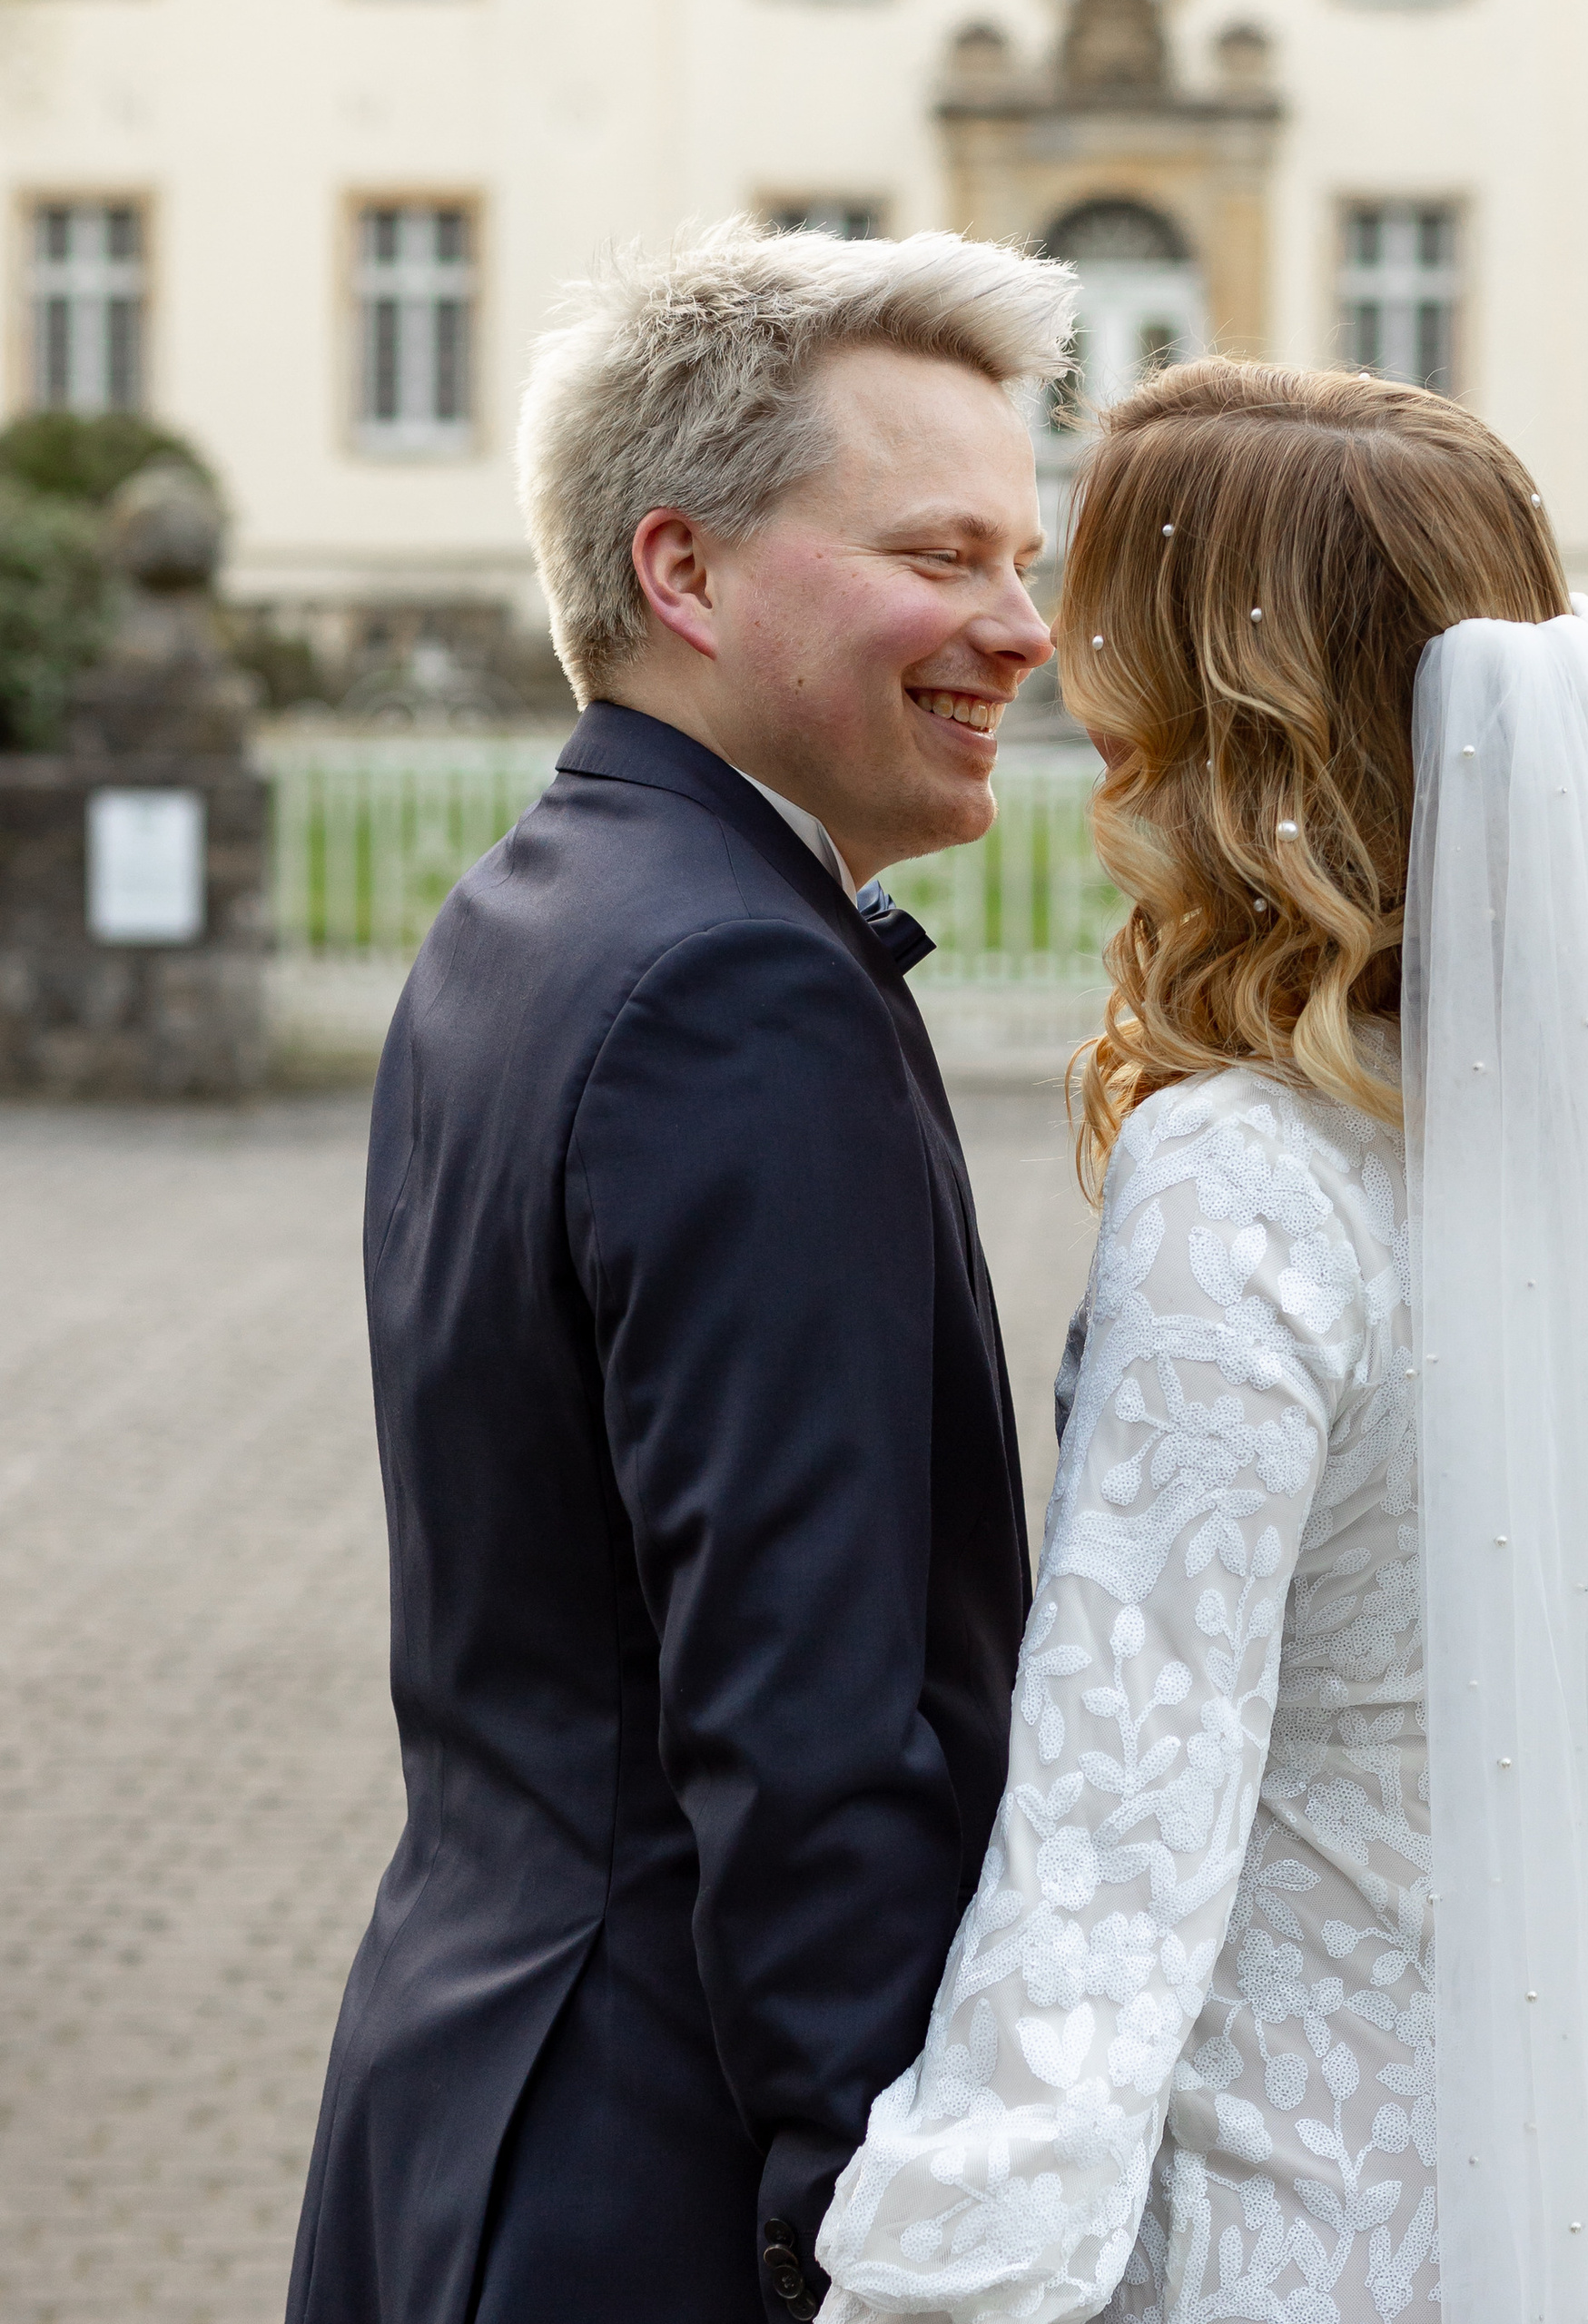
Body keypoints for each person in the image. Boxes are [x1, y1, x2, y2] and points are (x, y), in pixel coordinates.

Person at [811, 362, 1588, 2324]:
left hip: (1312, 2203)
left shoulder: (1249, 1177)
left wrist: (945, 2264)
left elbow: (1125, 1813)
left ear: (1209, 713)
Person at [286, 222, 1075, 2324]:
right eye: (939, 554)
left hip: (466, 2084)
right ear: (683, 570)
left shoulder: (533, 906)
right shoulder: (738, 982)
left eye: (1022, 556)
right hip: (662, 2170)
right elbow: (802, 1723)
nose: (1020, 628)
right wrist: (881, 2242)